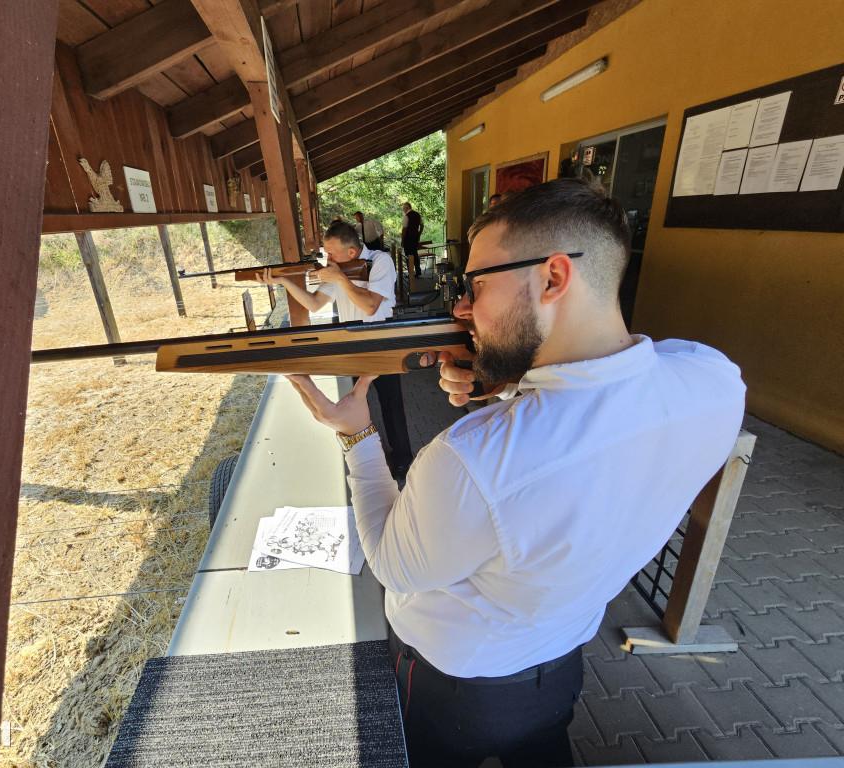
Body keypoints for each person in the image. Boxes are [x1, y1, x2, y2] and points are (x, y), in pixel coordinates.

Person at [282, 178, 746, 767]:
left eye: (476, 284)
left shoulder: (472, 459)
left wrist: (357, 436)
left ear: (553, 277)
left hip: (454, 690)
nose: (460, 308)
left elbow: (394, 566)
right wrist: (512, 386)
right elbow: (606, 394)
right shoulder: (715, 382)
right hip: (558, 670)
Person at [256, 220, 414, 479]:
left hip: (380, 343)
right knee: (356, 406)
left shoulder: (380, 261)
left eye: (331, 253)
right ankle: (367, 454)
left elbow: (370, 306)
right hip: (351, 345)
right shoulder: (339, 269)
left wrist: (339, 277)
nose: (326, 258)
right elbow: (315, 303)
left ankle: (403, 461)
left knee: (391, 405)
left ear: (351, 253)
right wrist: (285, 281)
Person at [401, 202, 424, 278]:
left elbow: (404, 229)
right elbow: (422, 225)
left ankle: (411, 273)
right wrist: (419, 233)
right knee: (415, 254)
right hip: (415, 238)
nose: (404, 210)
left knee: (408, 255)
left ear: (406, 208)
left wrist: (402, 240)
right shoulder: (417, 215)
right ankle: (418, 271)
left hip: (408, 238)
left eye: (404, 208)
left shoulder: (406, 217)